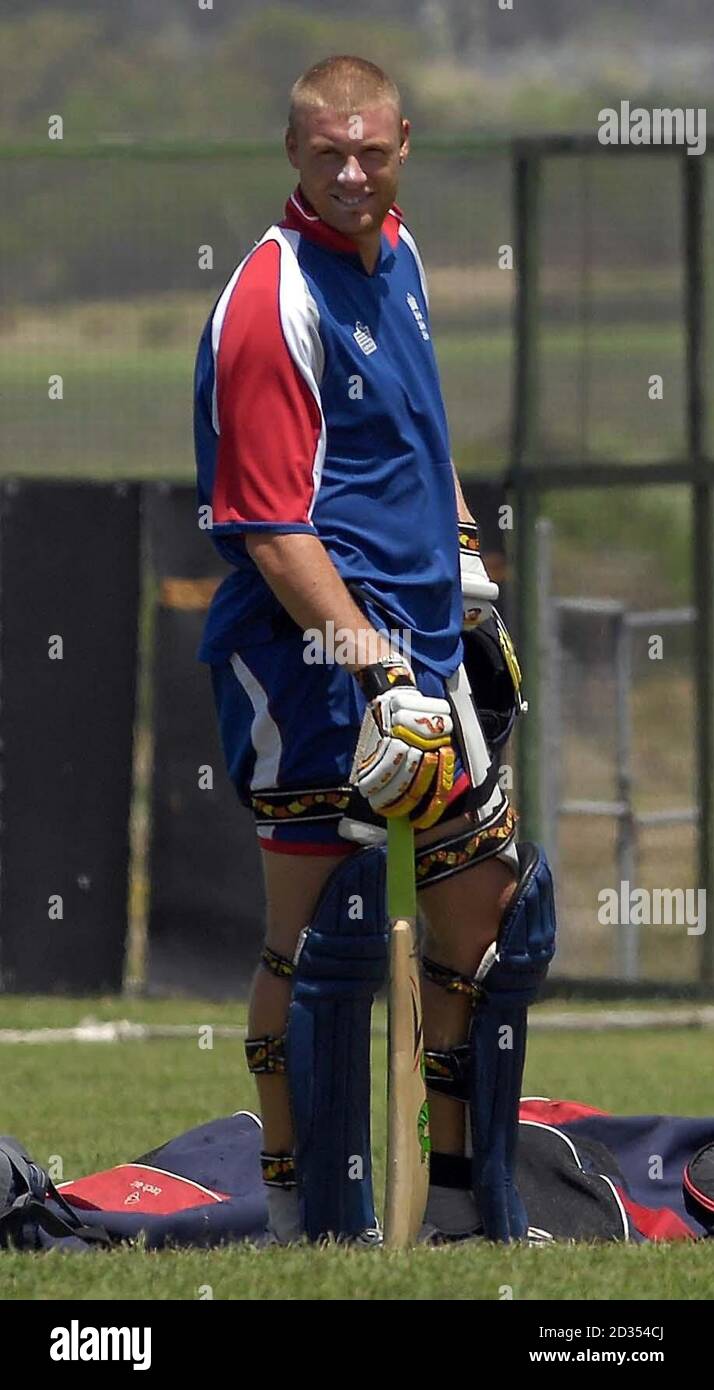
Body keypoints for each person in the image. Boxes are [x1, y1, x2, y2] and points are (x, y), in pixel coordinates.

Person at [194, 54, 555, 1245]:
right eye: (326, 153)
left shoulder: (398, 261)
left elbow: (421, 441)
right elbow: (268, 529)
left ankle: (462, 1210)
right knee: (322, 934)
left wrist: (470, 588)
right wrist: (379, 669)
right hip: (307, 662)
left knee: (495, 918)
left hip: (418, 650)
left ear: (405, 140)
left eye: (371, 149)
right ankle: (313, 1221)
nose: (351, 172)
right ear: (292, 153)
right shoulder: (269, 297)